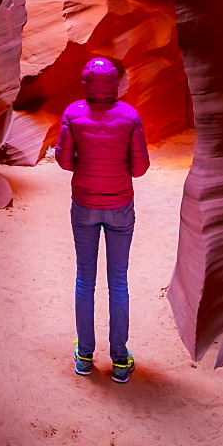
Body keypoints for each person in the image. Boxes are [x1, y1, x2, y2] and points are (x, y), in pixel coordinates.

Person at [55, 57, 149, 383]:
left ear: (86, 84)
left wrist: (85, 159)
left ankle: (84, 356)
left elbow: (65, 162)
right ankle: (120, 360)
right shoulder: (130, 117)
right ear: (114, 85)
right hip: (121, 205)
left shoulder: (72, 114)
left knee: (85, 280)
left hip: (84, 205)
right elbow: (139, 168)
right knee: (118, 282)